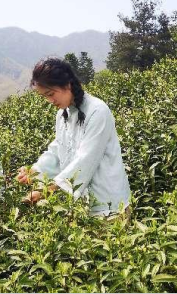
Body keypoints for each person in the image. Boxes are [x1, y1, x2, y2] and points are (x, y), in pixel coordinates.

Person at [15, 58, 131, 218]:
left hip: (109, 204)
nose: (50, 101)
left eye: (51, 94)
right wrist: (34, 171)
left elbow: (86, 159)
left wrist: (47, 190)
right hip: (82, 207)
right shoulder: (63, 114)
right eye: (44, 97)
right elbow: (57, 149)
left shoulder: (97, 111)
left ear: (67, 84)